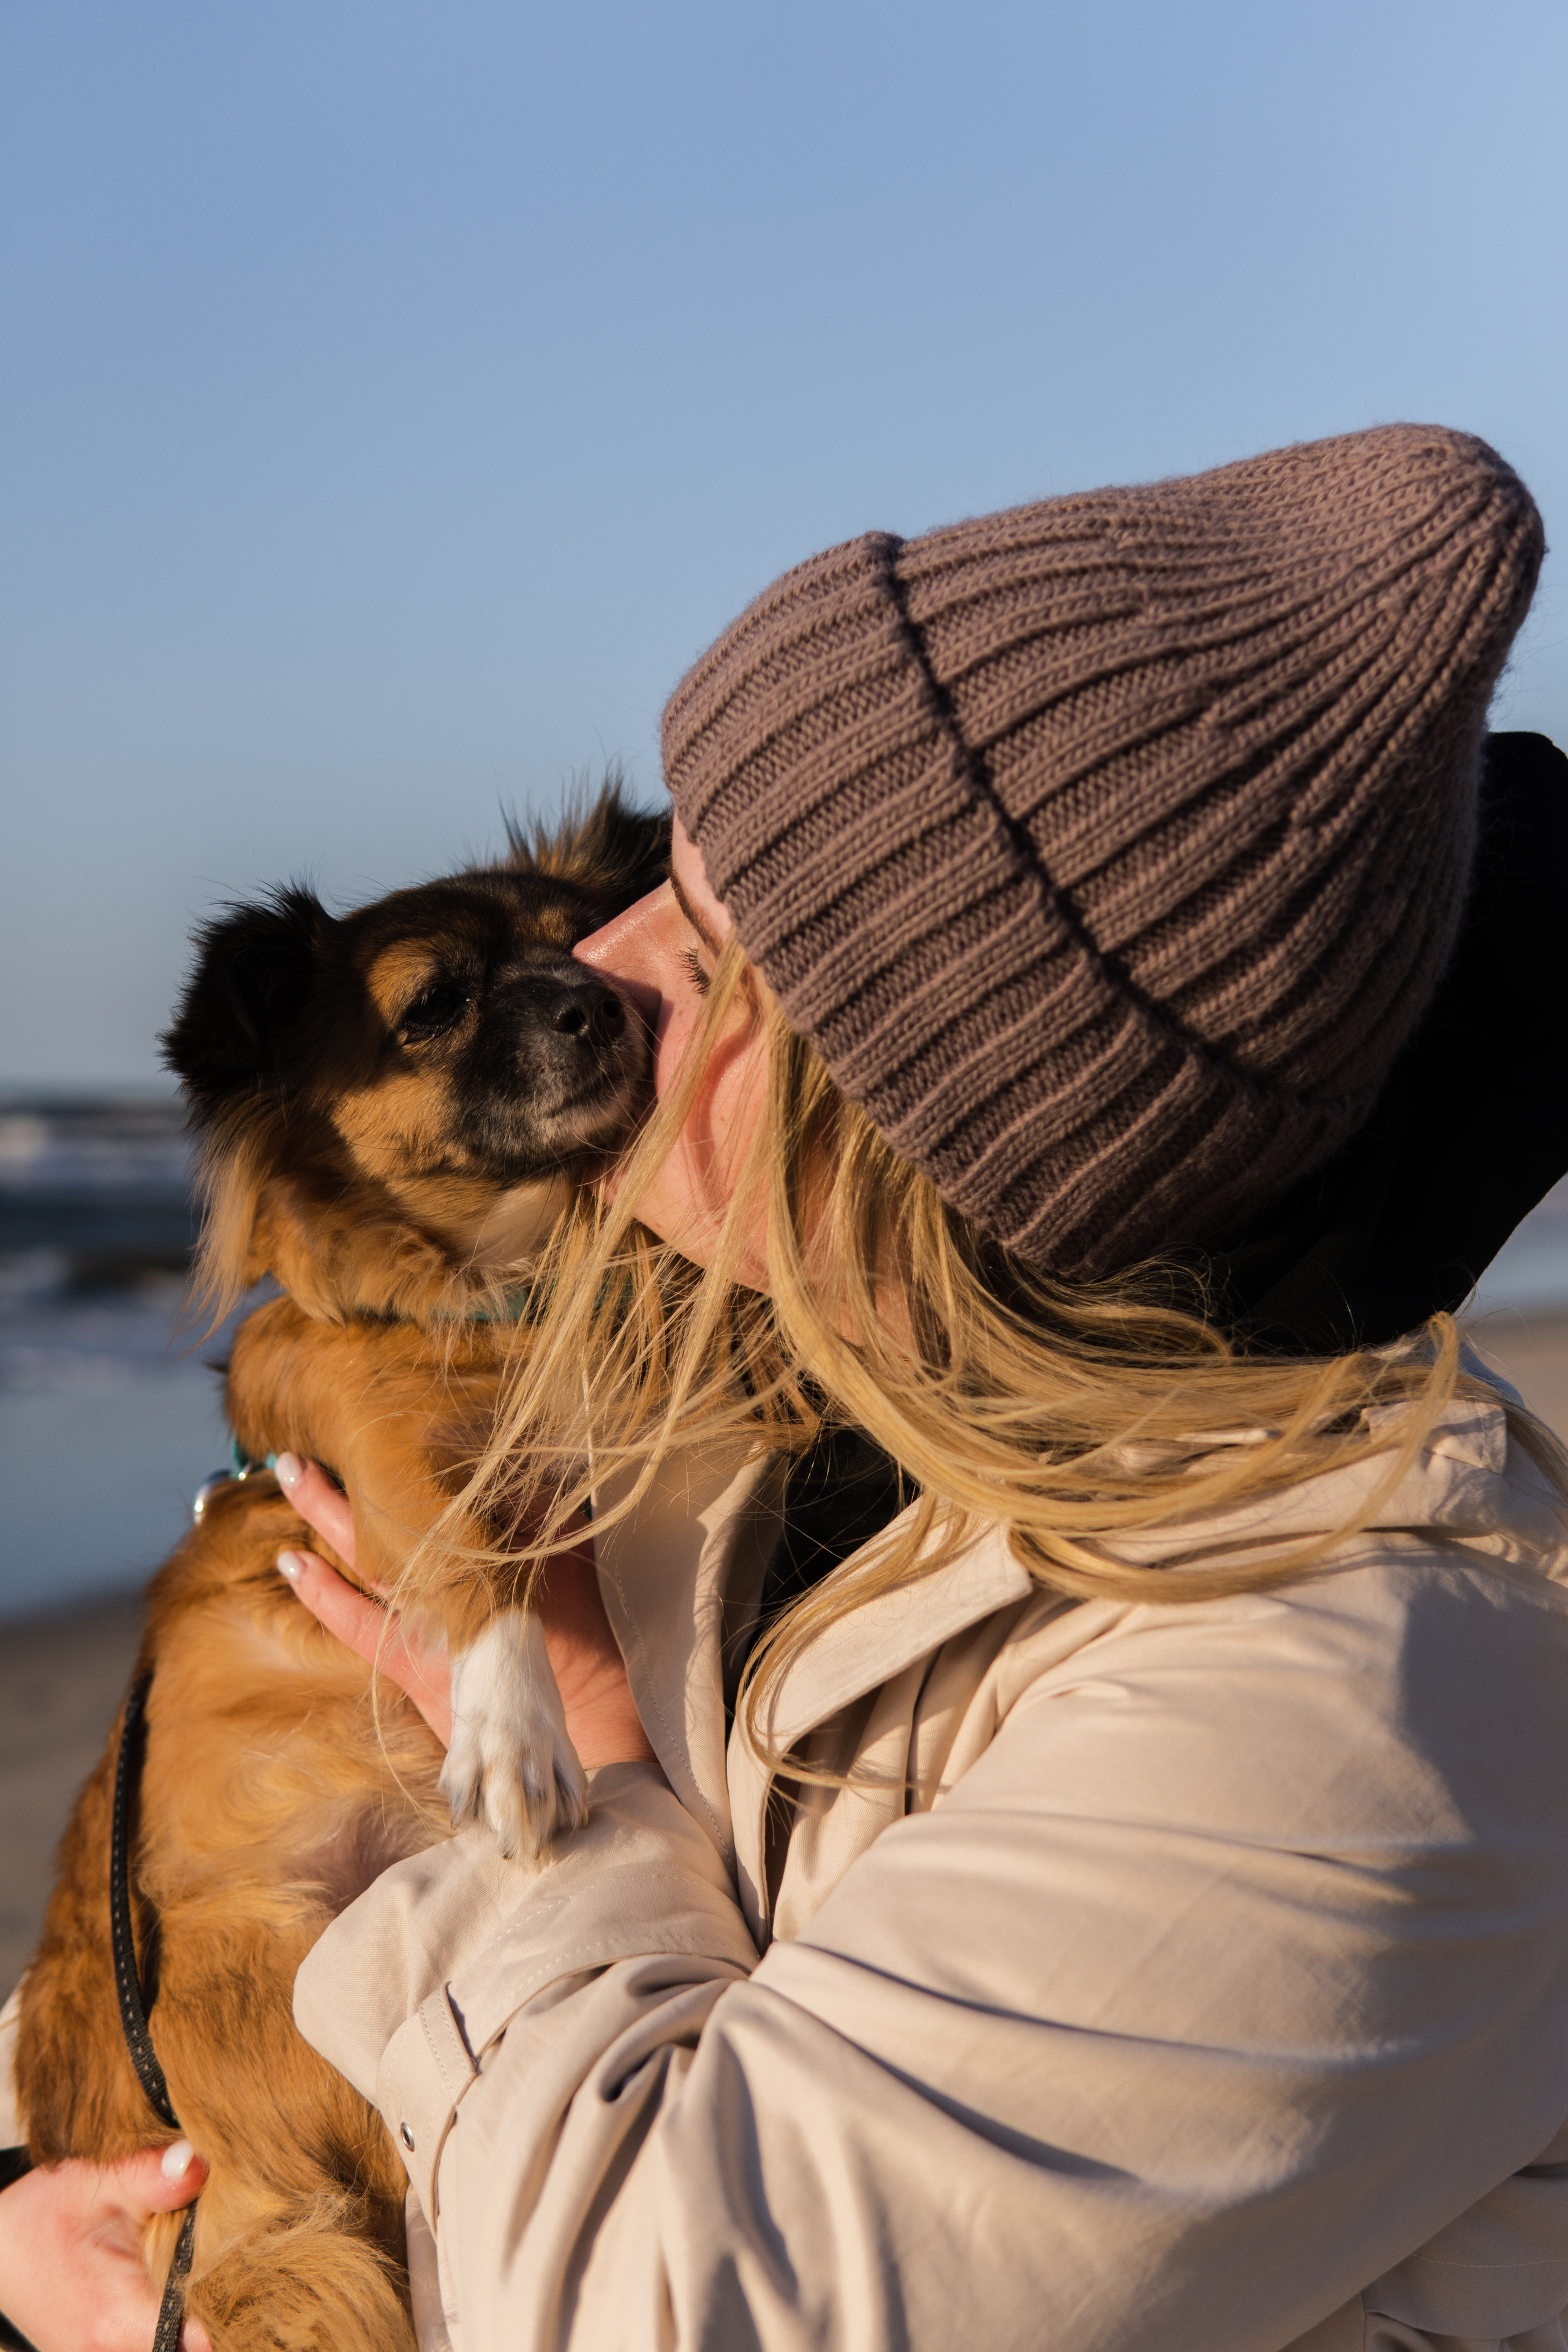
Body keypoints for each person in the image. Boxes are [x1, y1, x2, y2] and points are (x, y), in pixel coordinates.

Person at [6, 422, 1568, 2352]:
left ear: (961, 1095)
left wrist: (596, 1773)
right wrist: (39, 2204)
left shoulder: (1371, 1720)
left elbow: (669, 2312)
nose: (608, 961)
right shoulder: (764, 1417)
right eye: (660, 874)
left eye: (716, 934)